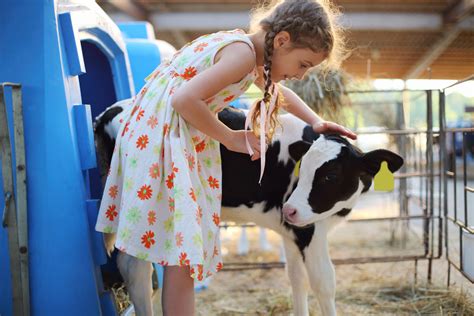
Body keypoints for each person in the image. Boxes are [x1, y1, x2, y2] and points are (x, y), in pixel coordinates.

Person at [95, 0, 357, 314]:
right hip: (167, 139)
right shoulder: (242, 55)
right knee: (183, 253)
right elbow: (184, 99)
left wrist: (315, 121)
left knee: (182, 253)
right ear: (282, 40)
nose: (301, 75)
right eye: (303, 64)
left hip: (160, 136)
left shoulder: (248, 52)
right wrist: (230, 137)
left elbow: (280, 95)